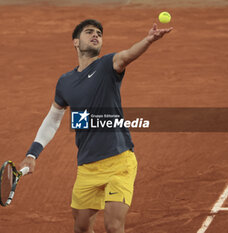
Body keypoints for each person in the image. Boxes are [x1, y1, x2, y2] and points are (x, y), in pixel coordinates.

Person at [20, 19, 172, 233]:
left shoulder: (107, 65)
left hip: (119, 162)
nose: (95, 35)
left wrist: (147, 41)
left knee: (113, 226)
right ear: (75, 42)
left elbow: (127, 55)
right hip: (88, 166)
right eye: (89, 32)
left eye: (99, 33)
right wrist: (32, 154)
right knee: (81, 227)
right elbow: (53, 119)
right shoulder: (65, 82)